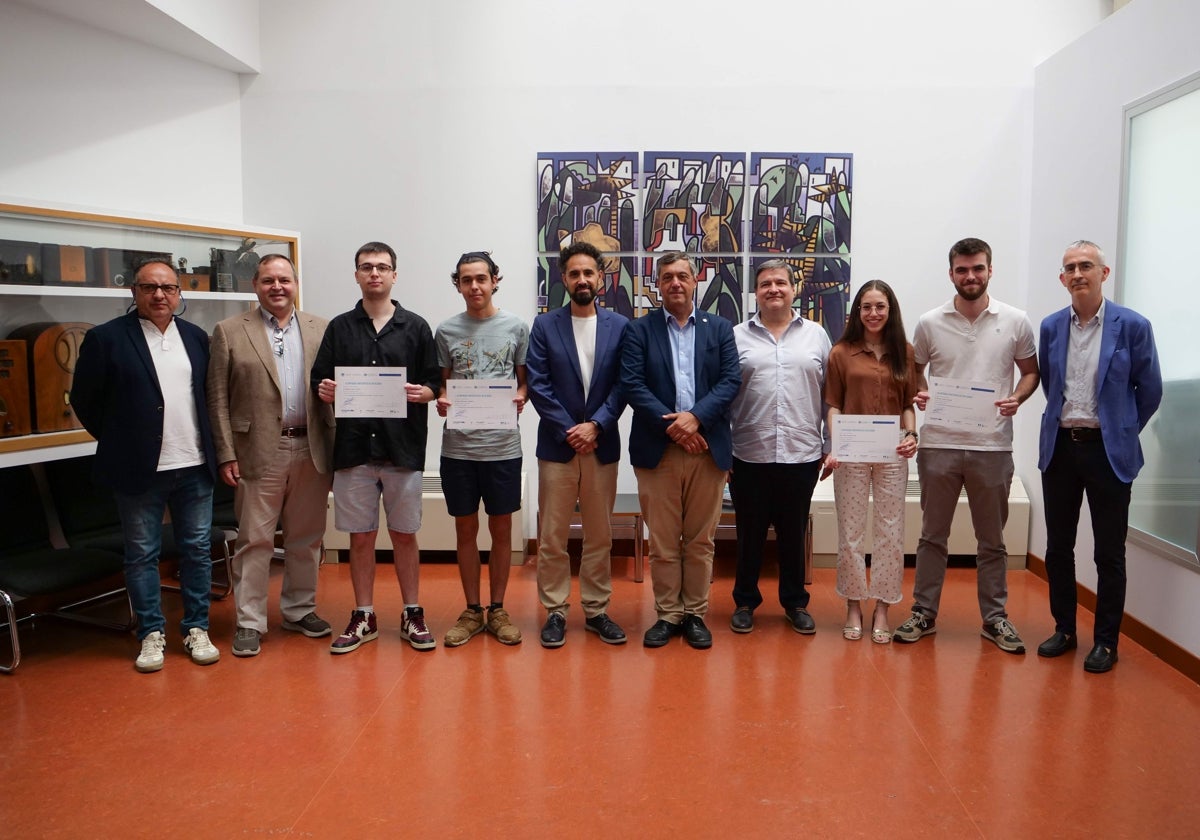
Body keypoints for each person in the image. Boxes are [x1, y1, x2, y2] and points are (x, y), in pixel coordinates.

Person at [71, 258, 220, 672]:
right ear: (133, 292)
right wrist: (121, 440)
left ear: (179, 294)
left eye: (168, 288)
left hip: (194, 464)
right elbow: (85, 400)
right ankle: (151, 633)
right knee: (141, 554)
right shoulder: (106, 339)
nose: (159, 295)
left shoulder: (195, 338)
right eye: (149, 287)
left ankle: (196, 628)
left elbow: (205, 397)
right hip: (139, 469)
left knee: (197, 551)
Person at [894, 237, 1039, 653]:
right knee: (931, 536)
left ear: (990, 270)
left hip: (992, 446)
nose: (970, 276)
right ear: (951, 273)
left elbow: (1030, 372)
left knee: (991, 540)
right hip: (939, 444)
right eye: (962, 269)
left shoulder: (1015, 321)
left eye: (977, 268)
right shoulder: (929, 322)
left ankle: (995, 619)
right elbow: (914, 372)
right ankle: (924, 612)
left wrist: (1018, 397)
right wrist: (920, 393)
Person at [1036, 240, 1161, 674]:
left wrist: (1119, 430)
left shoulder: (1133, 326)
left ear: (1103, 274)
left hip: (1109, 455)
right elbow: (1053, 386)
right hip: (1061, 450)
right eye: (1069, 267)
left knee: (1109, 553)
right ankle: (1064, 629)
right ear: (1062, 278)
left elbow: (1151, 391)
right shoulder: (1052, 327)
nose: (1077, 273)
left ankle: (1106, 641)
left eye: (1085, 265)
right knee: (1058, 548)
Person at [312, 242, 442, 653]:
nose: (374, 274)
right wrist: (326, 390)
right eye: (366, 267)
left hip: (402, 450)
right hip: (353, 451)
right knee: (361, 537)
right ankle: (363, 614)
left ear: (394, 275)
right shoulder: (339, 328)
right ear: (356, 275)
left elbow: (435, 382)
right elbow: (320, 380)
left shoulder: (417, 327)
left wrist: (426, 393)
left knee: (405, 535)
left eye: (382, 267)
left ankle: (411, 612)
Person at [207, 254, 335, 657]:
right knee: (254, 540)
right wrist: (226, 453)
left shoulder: (321, 329)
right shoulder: (229, 331)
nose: (276, 287)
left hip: (312, 447)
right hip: (258, 450)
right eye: (267, 280)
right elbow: (217, 399)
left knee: (306, 538)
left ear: (295, 284)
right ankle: (249, 621)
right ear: (254, 285)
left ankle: (299, 610)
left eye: (284, 279)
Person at [621, 251, 740, 649]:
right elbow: (634, 385)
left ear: (695, 281)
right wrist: (676, 426)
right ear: (658, 283)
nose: (675, 283)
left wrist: (696, 419)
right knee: (665, 540)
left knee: (701, 540)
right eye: (667, 276)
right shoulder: (639, 331)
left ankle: (695, 615)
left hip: (707, 447)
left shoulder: (720, 328)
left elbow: (729, 381)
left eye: (682, 276)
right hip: (659, 449)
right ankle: (668, 614)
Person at [526, 242, 629, 648]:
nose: (582, 279)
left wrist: (597, 425)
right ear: (563, 280)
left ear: (601, 278)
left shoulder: (620, 326)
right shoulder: (545, 326)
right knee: (552, 534)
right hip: (558, 445)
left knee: (600, 534)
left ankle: (597, 609)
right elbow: (538, 383)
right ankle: (554, 611)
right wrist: (572, 429)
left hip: (602, 446)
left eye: (589, 273)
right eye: (574, 273)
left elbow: (625, 383)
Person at [728, 259, 832, 636]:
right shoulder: (736, 336)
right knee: (749, 534)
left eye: (780, 282)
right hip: (747, 453)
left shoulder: (817, 335)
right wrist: (722, 451)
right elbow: (723, 395)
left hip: (801, 454)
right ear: (756, 292)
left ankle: (794, 603)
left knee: (793, 533)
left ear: (794, 288)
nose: (773, 289)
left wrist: (830, 443)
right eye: (765, 283)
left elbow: (830, 395)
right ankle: (744, 602)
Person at [435, 251, 529, 647]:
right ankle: (473, 610)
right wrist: (441, 397)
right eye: (466, 280)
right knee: (465, 529)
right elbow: (443, 382)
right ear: (457, 284)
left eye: (481, 278)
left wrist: (521, 397)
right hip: (458, 449)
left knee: (502, 529)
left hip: (503, 447)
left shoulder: (516, 327)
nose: (474, 286)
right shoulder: (445, 331)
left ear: (495, 281)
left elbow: (525, 381)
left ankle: (499, 608)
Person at [825, 280, 919, 644]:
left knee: (890, 532)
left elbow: (908, 403)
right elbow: (833, 405)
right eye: (867, 307)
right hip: (851, 451)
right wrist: (836, 445)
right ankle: (853, 603)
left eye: (880, 306)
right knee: (850, 531)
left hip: (893, 451)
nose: (874, 313)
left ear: (890, 310)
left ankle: (882, 606)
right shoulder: (841, 353)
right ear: (857, 312)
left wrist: (912, 436)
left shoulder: (905, 353)